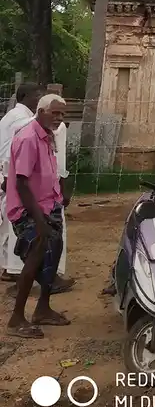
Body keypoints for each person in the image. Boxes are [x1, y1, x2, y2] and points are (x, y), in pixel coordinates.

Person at [5, 94, 72, 338]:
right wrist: (39, 220)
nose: (59, 118)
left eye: (62, 114)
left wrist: (59, 197)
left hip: (48, 205)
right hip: (29, 209)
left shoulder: (47, 137)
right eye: (55, 113)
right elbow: (22, 182)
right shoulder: (28, 138)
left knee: (54, 252)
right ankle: (16, 319)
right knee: (34, 257)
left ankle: (42, 309)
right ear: (40, 111)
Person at [0, 82, 41, 280]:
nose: (38, 99)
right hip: (8, 174)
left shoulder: (15, 116)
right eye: (36, 95)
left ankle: (8, 267)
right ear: (24, 96)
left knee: (7, 224)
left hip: (6, 173)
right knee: (15, 222)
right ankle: (13, 269)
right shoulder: (21, 118)